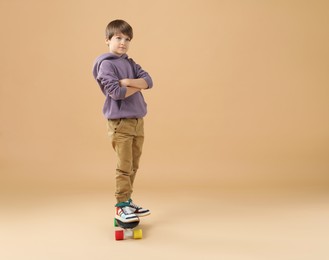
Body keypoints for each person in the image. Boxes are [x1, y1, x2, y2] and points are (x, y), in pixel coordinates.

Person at [92, 19, 152, 223]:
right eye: (118, 38)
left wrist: (127, 82)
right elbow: (116, 93)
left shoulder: (130, 63)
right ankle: (120, 207)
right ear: (107, 40)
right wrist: (136, 86)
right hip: (120, 123)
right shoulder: (105, 64)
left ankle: (127, 201)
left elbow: (149, 81)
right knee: (124, 165)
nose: (123, 43)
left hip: (137, 120)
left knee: (134, 164)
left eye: (127, 39)